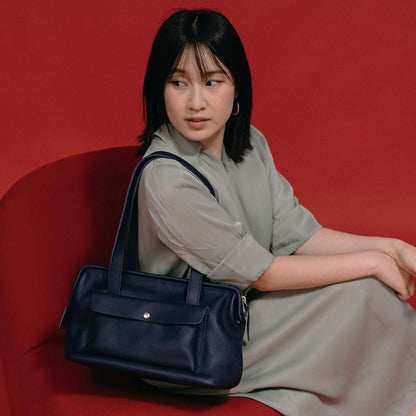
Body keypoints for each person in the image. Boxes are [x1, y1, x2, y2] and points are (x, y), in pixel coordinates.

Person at [136, 9, 416, 416]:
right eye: (178, 83)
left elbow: (299, 235)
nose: (195, 102)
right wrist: (373, 262)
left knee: (367, 294)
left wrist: (393, 248)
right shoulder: (166, 178)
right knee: (361, 294)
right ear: (160, 89)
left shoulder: (249, 144)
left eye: (212, 82)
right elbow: (261, 273)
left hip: (246, 312)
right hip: (191, 338)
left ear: (236, 88)